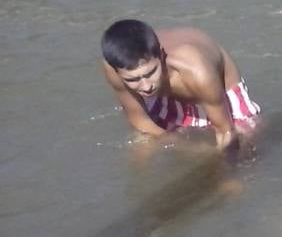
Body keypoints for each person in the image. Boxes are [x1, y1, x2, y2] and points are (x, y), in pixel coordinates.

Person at [101, 20, 261, 153]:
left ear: (162, 56)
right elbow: (140, 121)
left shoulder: (197, 72)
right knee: (142, 141)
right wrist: (187, 147)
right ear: (117, 71)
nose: (146, 86)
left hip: (213, 88)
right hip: (167, 91)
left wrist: (228, 180)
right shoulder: (114, 69)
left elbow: (226, 132)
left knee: (246, 138)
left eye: (150, 73)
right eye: (133, 79)